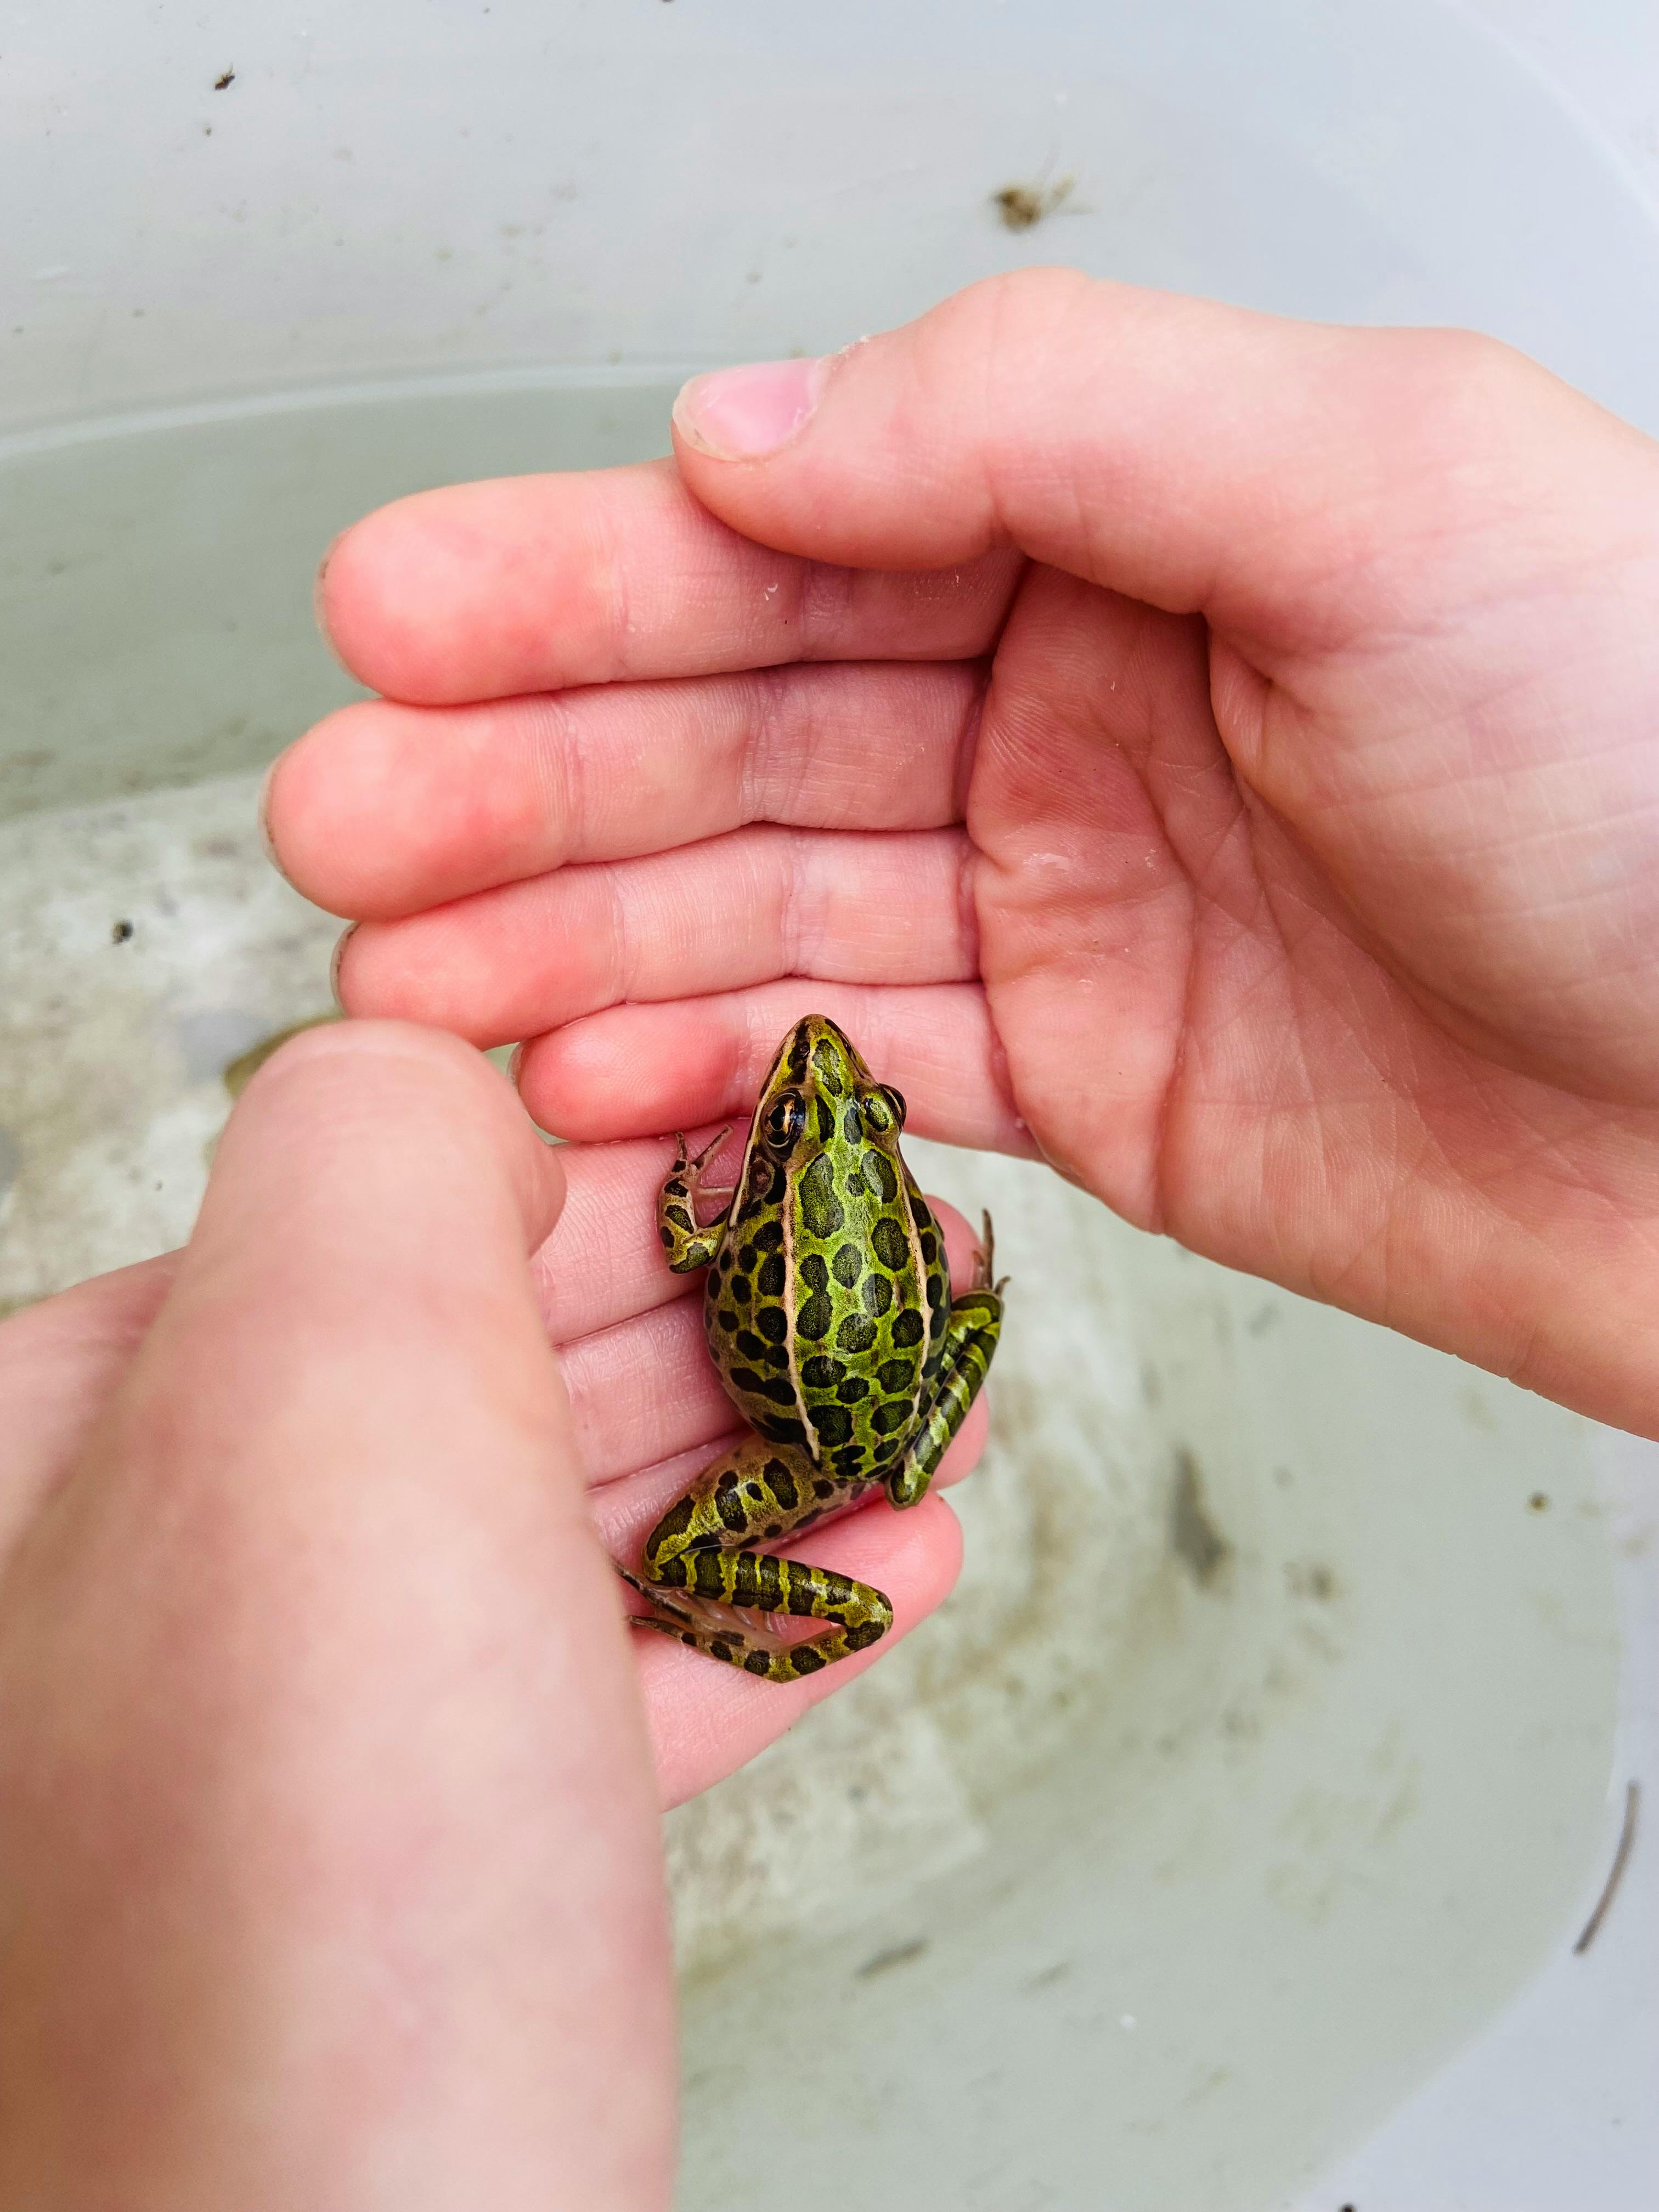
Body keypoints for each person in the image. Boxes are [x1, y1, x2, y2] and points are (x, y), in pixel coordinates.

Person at [3, 267, 1656, 2202]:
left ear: (813, 1160)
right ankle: (774, 1603)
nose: (815, 1093)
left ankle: (747, 1605)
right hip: (850, 1416)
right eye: (834, 1108)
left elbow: (706, 1251)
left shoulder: (733, 1228)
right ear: (838, 1153)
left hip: (817, 1434)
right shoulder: (791, 1211)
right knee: (823, 1455)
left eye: (826, 1114)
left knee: (697, 1523)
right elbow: (741, 1252)